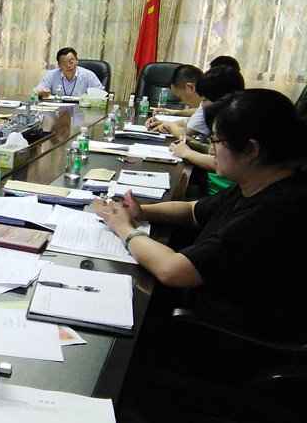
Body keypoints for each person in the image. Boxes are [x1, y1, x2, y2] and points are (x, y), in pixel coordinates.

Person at [95, 89, 307, 337]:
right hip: (210, 305)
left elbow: (172, 270)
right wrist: (141, 211)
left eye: (216, 141)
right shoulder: (258, 181)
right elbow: (192, 210)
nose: (211, 151)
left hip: (227, 335)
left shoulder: (274, 210)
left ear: (251, 149)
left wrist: (124, 228)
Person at [168, 66, 245, 194]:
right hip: (214, 186)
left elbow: (219, 162)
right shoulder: (229, 117)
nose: (202, 106)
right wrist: (197, 146)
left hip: (219, 192)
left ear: (222, 98)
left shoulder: (234, 124)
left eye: (204, 100)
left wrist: (187, 153)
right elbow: (216, 152)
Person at [145, 64, 203, 138]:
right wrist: (167, 120)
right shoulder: (207, 103)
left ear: (190, 87)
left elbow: (183, 133)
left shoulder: (209, 106)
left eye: (180, 97)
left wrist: (170, 125)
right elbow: (194, 116)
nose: (183, 102)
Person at [34, 47, 104, 98]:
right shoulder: (52, 75)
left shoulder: (88, 75)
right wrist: (42, 93)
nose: (68, 66)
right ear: (59, 65)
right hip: (58, 110)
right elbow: (36, 91)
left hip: (81, 110)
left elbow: (101, 94)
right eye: (64, 63)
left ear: (77, 60)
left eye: (71, 62)